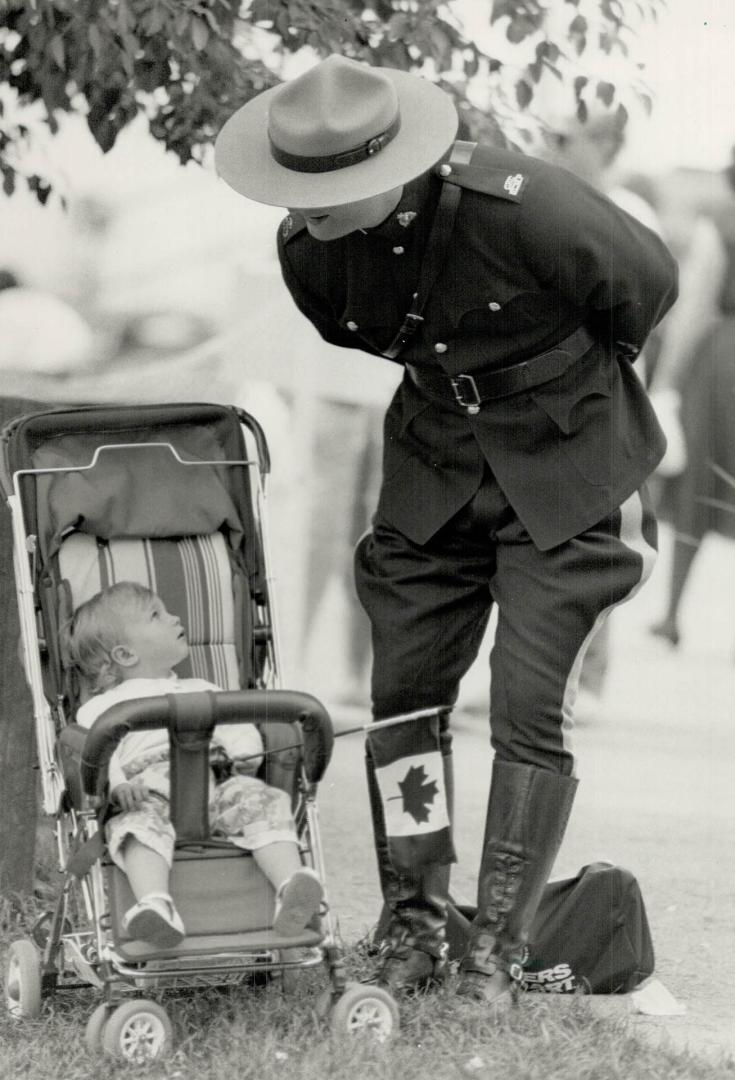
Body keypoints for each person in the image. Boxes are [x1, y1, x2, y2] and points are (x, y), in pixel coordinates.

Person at [214, 55, 678, 1007]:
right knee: (404, 696)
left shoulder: (525, 204)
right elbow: (365, 334)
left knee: (526, 701)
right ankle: (417, 926)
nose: (303, 212)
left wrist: (556, 382)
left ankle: (496, 958)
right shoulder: (308, 250)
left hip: (562, 456)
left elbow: (642, 284)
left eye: (326, 192)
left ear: (387, 172)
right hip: (433, 464)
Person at [66, 582, 323, 947]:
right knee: (136, 828)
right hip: (147, 792)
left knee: (264, 801)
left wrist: (243, 754)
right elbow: (95, 751)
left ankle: (290, 887)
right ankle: (156, 903)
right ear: (125, 654)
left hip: (216, 780)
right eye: (156, 614)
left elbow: (240, 729)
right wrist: (117, 784)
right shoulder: (100, 708)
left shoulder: (202, 687)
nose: (174, 618)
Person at [648, 146, 735, 650]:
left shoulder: (721, 223)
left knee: (697, 485)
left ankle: (673, 614)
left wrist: (668, 383)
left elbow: (697, 304)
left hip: (723, 360)